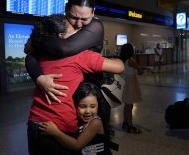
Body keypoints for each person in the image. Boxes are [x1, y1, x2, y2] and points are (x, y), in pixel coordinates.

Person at [27, 14, 124, 155]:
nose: (79, 30)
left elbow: (28, 55)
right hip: (60, 128)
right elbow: (120, 67)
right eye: (73, 29)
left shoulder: (40, 55)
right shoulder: (80, 56)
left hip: (34, 124)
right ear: (62, 36)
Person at [39, 82, 112, 155]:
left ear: (98, 106)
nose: (87, 111)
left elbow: (77, 145)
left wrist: (55, 132)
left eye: (92, 106)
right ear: (75, 106)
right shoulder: (78, 122)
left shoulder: (95, 122)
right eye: (83, 106)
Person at [119, 43, 145, 134]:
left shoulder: (123, 60)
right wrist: (143, 69)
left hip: (126, 82)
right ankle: (130, 125)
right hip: (130, 83)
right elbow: (140, 71)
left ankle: (125, 122)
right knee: (129, 105)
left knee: (127, 104)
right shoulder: (131, 60)